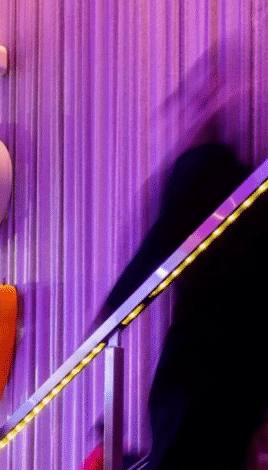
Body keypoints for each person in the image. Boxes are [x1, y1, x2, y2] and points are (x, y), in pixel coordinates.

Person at [95, 39, 268, 469]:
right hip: (249, 358)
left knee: (180, 446)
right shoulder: (247, 183)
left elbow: (161, 242)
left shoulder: (201, 169)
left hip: (201, 356)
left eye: (187, 106)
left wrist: (111, 311)